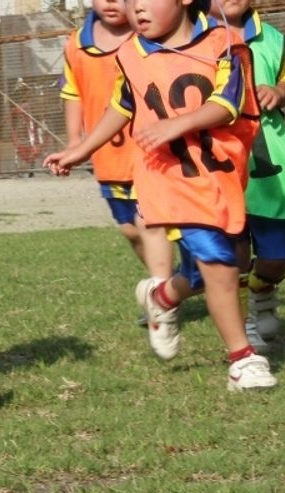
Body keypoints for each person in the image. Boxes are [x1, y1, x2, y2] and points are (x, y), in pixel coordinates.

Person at [44, 0, 277, 391]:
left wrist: (178, 124)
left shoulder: (225, 43)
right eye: (131, 2)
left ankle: (165, 297)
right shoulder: (131, 53)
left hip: (219, 177)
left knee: (228, 264)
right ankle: (243, 360)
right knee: (218, 263)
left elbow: (230, 100)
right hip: (167, 179)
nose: (138, 10)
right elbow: (122, 104)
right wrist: (81, 149)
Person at [208, 0, 285, 351]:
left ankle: (264, 289)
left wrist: (279, 92)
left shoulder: (272, 37)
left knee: (278, 255)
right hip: (221, 164)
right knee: (234, 250)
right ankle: (244, 328)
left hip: (269, 166)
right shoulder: (188, 38)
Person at [58, 0, 172, 327]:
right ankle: (163, 282)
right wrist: (74, 140)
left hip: (151, 153)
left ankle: (164, 297)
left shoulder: (150, 37)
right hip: (109, 158)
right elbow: (73, 92)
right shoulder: (76, 43)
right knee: (130, 229)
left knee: (153, 225)